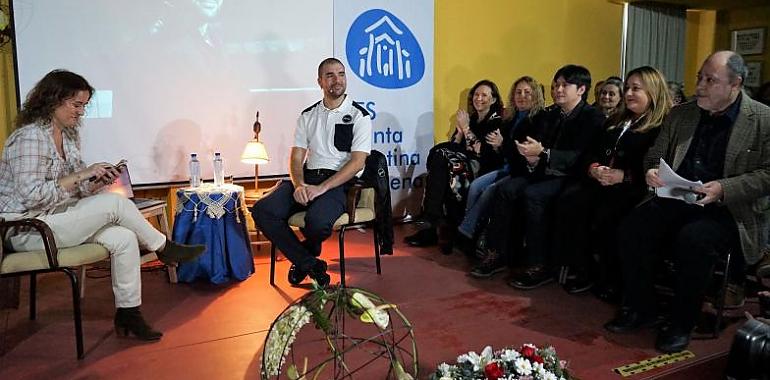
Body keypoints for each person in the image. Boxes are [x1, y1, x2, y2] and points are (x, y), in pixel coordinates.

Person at [0, 70, 205, 341]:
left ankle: (129, 314)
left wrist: (95, 181)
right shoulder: (29, 137)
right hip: (28, 228)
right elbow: (31, 196)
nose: (81, 112)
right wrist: (83, 174)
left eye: (84, 105)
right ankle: (164, 248)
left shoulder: (68, 137)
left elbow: (75, 191)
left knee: (123, 238)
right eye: (76, 105)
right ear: (53, 101)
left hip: (55, 218)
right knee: (113, 205)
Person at [604, 51, 770, 353]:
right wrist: (651, 170)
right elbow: (656, 153)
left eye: (710, 80)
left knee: (693, 239)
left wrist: (724, 187)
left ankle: (682, 321)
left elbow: (767, 175)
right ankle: (643, 307)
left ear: (736, 84)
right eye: (699, 78)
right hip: (677, 196)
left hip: (726, 208)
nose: (700, 86)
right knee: (632, 227)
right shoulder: (683, 114)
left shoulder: (763, 119)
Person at [472, 65, 605, 281]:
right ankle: (498, 253)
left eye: (564, 85)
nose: (558, 90)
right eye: (556, 86)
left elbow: (582, 157)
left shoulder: (593, 117)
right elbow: (538, 149)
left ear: (581, 89)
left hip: (573, 176)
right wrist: (532, 157)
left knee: (534, 194)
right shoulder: (551, 114)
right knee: (506, 189)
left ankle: (539, 264)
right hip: (543, 171)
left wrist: (543, 153)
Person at [250, 58, 372, 287]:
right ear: (320, 82)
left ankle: (305, 255)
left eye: (341, 74)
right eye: (330, 75)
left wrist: (322, 188)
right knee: (262, 210)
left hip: (337, 183)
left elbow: (357, 163)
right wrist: (299, 186)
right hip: (308, 178)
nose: (337, 80)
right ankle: (311, 264)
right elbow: (296, 158)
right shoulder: (308, 115)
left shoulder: (359, 116)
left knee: (316, 223)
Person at [552, 66, 672, 296]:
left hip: (637, 188)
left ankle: (613, 278)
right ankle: (584, 268)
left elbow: (659, 166)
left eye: (636, 89)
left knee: (608, 212)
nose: (628, 94)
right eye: (627, 88)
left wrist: (624, 176)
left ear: (653, 91)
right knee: (570, 200)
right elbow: (591, 152)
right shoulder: (616, 120)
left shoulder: (662, 125)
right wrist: (594, 168)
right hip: (602, 181)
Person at [405, 80, 505, 247]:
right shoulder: (471, 118)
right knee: (440, 158)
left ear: (493, 100)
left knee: (441, 161)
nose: (478, 98)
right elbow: (455, 146)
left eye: (484, 95)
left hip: (485, 168)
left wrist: (466, 129)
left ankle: (431, 224)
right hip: (463, 164)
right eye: (476, 94)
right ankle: (431, 225)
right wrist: (460, 131)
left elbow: (480, 151)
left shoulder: (496, 121)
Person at [458, 76, 545, 254]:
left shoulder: (539, 119)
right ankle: (471, 232)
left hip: (520, 170)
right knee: (475, 187)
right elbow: (495, 149)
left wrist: (501, 144)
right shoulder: (510, 118)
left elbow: (523, 151)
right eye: (518, 92)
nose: (521, 96)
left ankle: (465, 235)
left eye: (527, 92)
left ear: (535, 95)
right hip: (504, 166)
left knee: (489, 191)